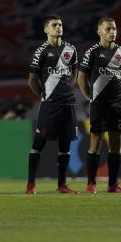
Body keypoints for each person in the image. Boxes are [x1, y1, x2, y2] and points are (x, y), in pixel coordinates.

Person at [26, 14, 79, 194]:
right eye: (54, 25)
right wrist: (45, 94)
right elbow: (32, 80)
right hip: (50, 105)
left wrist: (68, 90)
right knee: (38, 143)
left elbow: (74, 72)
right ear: (46, 29)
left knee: (65, 146)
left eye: (60, 25)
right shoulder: (41, 51)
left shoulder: (71, 50)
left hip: (69, 104)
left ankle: (62, 185)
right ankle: (31, 184)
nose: (58, 28)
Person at [77, 17, 121, 193]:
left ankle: (112, 184)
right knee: (96, 141)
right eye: (108, 29)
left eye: (114, 29)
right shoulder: (92, 52)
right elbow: (81, 77)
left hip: (118, 105)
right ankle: (91, 183)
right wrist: (89, 97)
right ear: (99, 32)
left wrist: (118, 93)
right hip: (99, 105)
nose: (112, 32)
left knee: (116, 145)